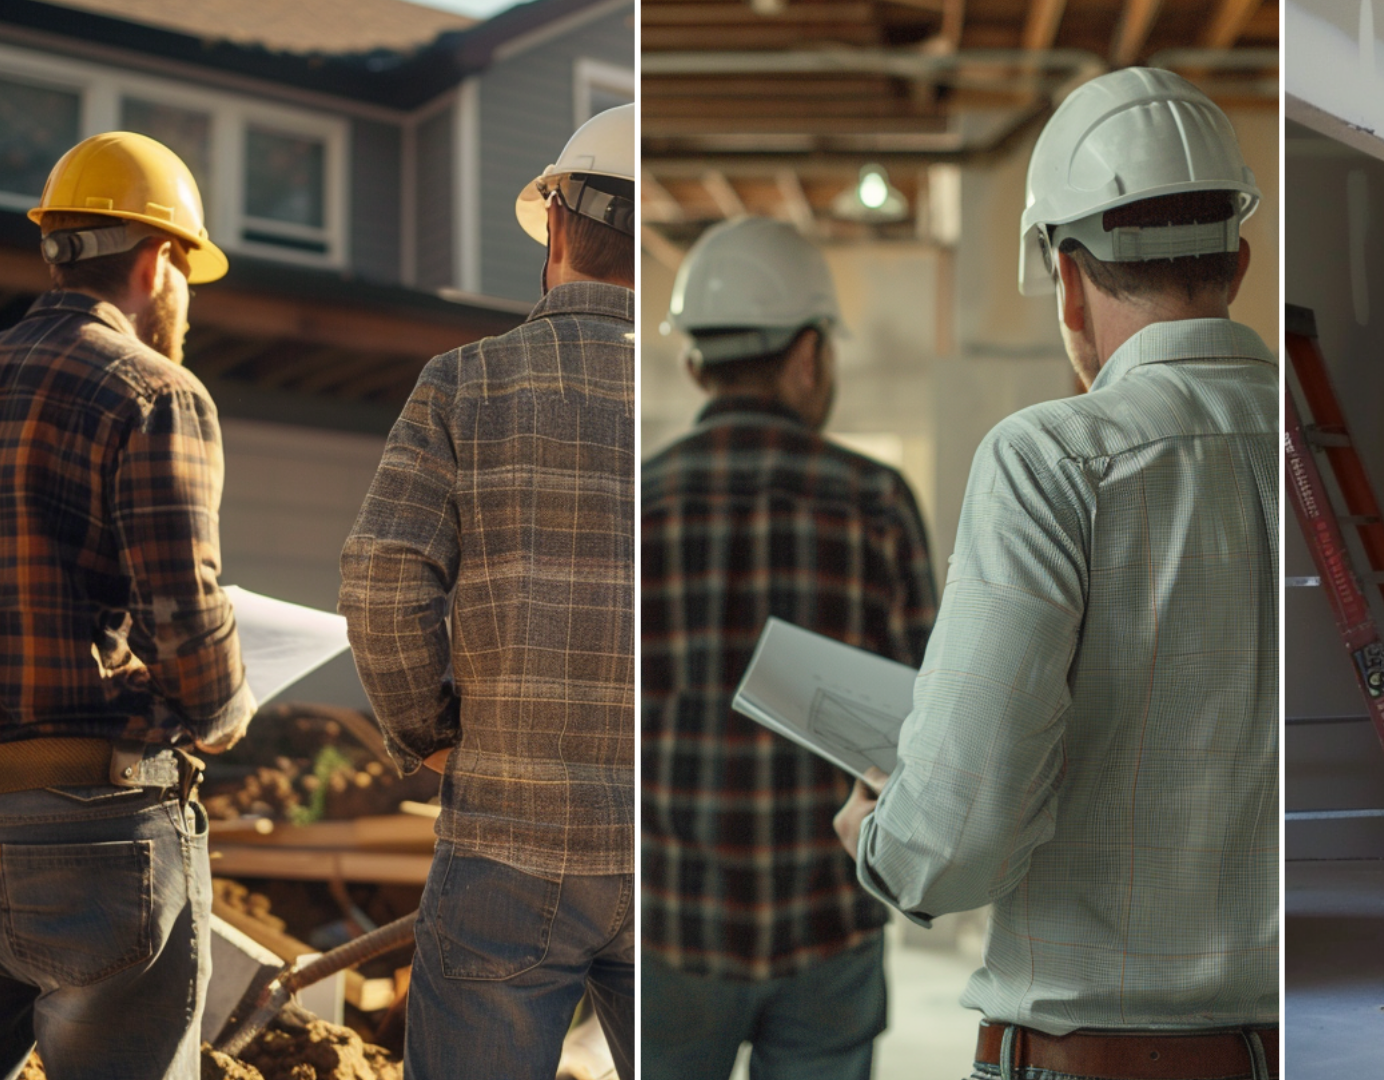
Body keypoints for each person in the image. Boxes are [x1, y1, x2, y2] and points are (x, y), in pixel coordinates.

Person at [833, 68, 1280, 1080]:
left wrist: (880, 833)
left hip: (1096, 1053)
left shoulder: (1052, 459)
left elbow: (955, 844)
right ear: (1238, 260)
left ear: (1066, 275)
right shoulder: (1336, 453)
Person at [339, 103, 635, 1079]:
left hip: (508, 841)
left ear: (555, 225)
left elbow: (382, 584)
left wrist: (432, 730)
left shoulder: (465, 384)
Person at [641, 216, 940, 1079]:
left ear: (696, 360)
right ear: (810, 353)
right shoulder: (875, 503)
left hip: (670, 923)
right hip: (828, 918)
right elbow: (931, 713)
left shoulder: (641, 507)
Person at [0, 131, 254, 1079]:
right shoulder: (155, 392)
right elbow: (182, 610)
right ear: (161, 260)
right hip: (91, 831)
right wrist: (223, 707)